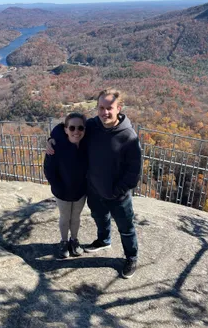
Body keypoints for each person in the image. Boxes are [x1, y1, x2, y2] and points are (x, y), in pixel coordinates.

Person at [47, 89, 141, 278]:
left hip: (118, 194)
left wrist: (117, 191)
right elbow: (65, 126)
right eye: (101, 108)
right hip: (94, 190)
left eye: (109, 108)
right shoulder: (92, 126)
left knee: (126, 228)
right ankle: (104, 240)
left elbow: (134, 172)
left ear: (119, 108)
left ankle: (131, 257)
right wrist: (51, 138)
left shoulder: (129, 137)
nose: (105, 112)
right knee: (100, 217)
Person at [44, 112, 88, 259]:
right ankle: (64, 241)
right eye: (72, 128)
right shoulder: (57, 145)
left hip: (80, 192)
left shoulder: (87, 145)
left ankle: (74, 240)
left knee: (76, 217)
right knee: (64, 217)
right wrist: (58, 187)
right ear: (66, 129)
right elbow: (49, 170)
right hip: (62, 192)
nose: (76, 131)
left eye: (80, 128)